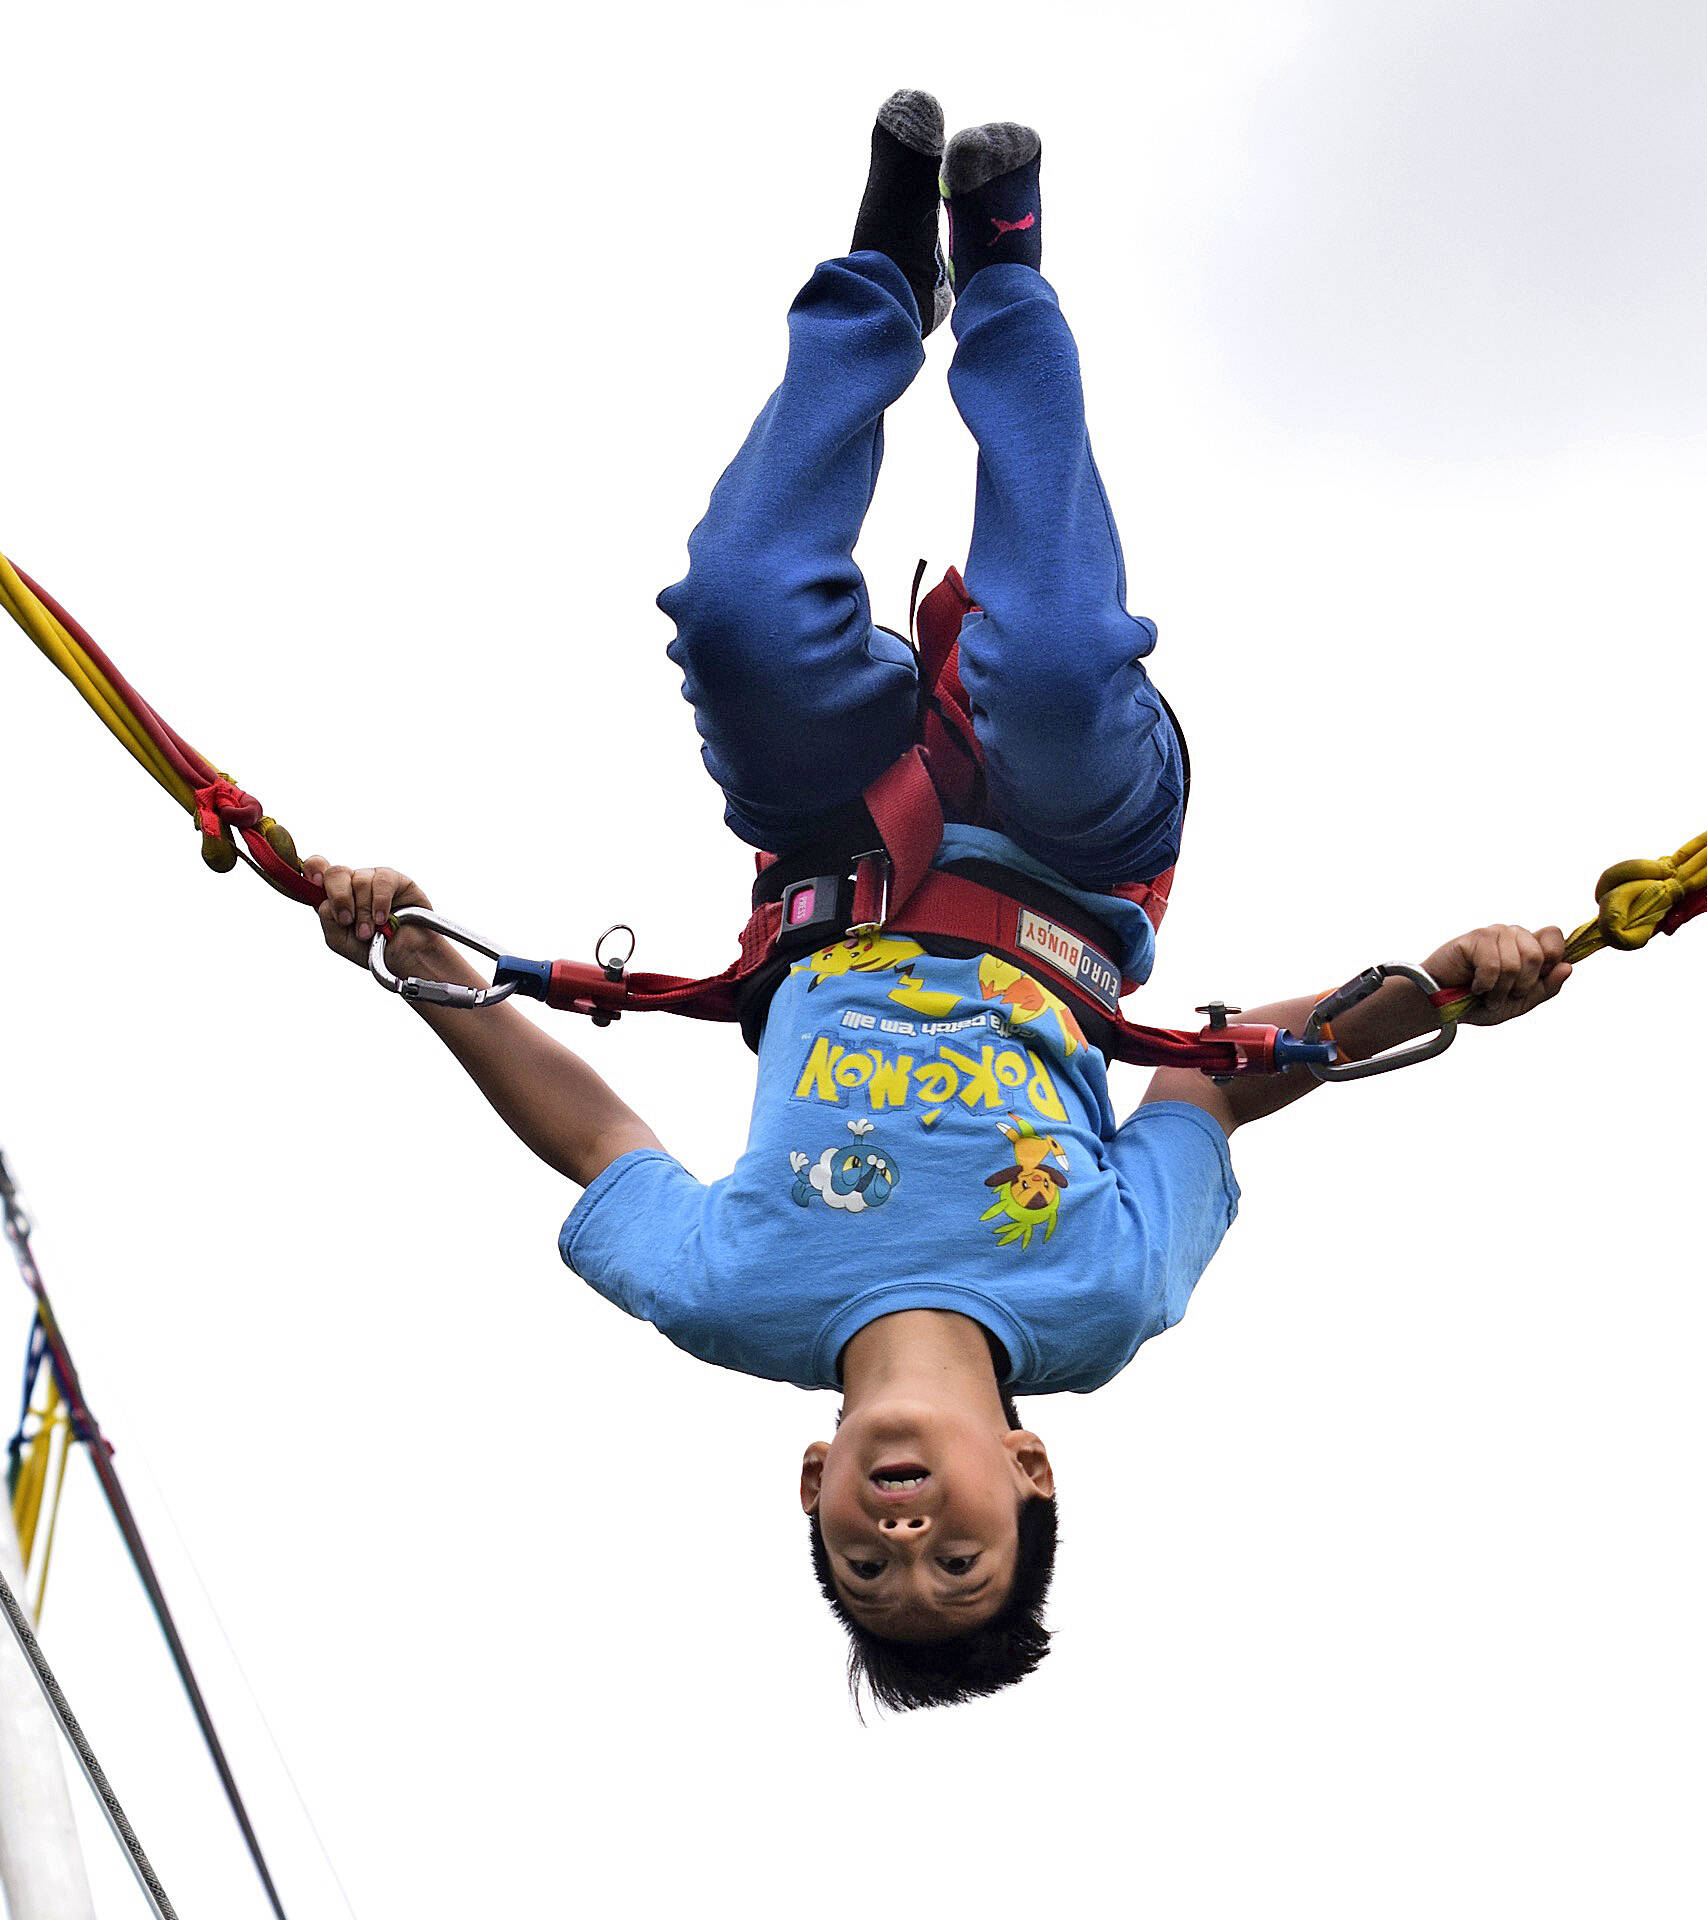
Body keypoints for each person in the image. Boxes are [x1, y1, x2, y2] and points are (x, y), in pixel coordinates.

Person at [303, 94, 1571, 1712]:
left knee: (742, 613)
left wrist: (408, 955)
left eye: (865, 1565)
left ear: (813, 1485)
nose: (906, 1546)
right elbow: (1214, 1078)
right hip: (1072, 859)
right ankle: (1011, 279)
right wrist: (1448, 986)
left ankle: (880, 279)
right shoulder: (1105, 1298)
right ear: (1031, 1475)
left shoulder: (726, 1296)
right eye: (955, 1562)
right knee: (1047, 660)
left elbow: (590, 1140)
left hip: (832, 848)